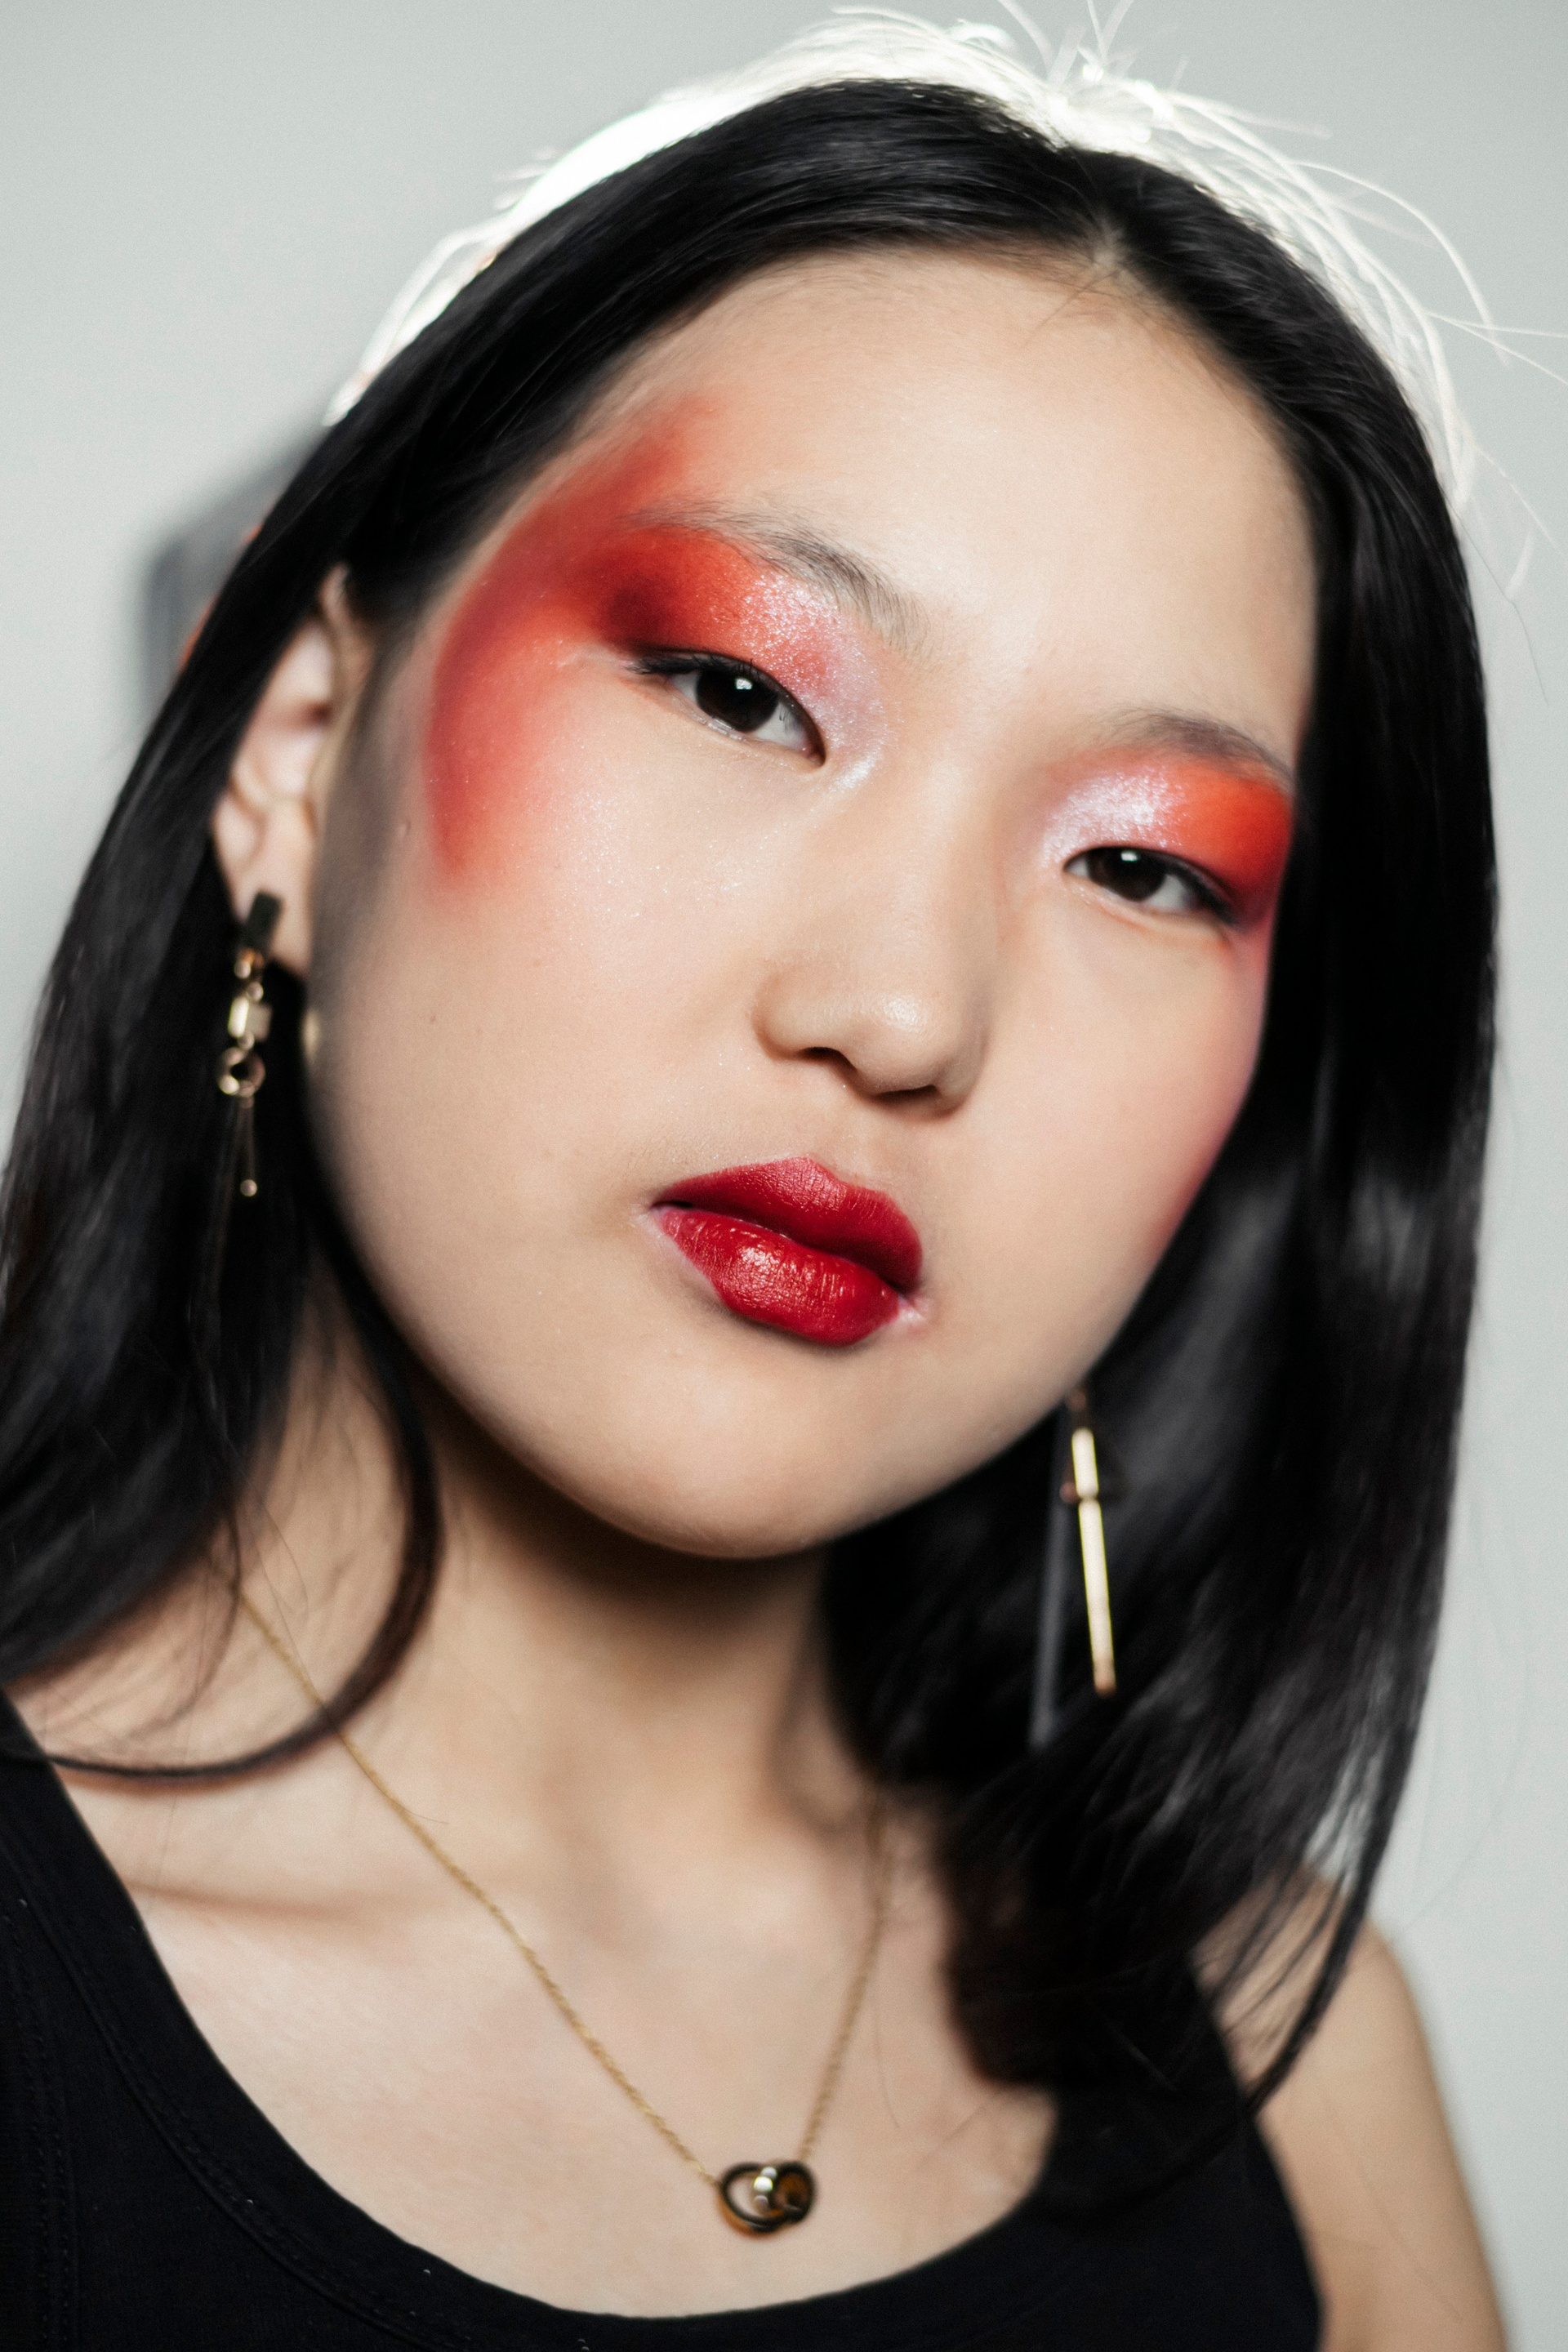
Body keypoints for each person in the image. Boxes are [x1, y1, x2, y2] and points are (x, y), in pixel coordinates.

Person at [0, 18, 1508, 2348]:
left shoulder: (1292, 2071)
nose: (902, 1012)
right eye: (739, 692)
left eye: (1141, 866)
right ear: (298, 754)